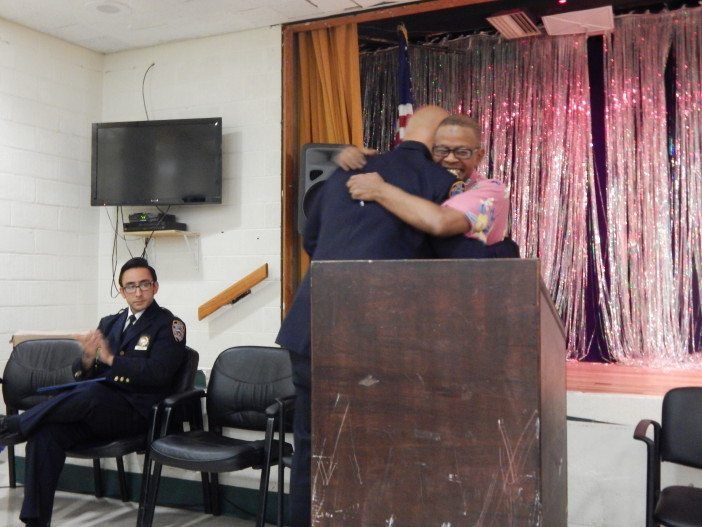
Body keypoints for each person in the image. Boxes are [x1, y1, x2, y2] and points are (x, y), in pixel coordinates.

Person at [277, 105, 489, 527]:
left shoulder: (346, 171)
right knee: (376, 455)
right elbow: (461, 256)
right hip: (375, 339)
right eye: (445, 148)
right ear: (434, 147)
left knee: (311, 449)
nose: (450, 158)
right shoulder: (441, 184)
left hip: (311, 330)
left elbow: (313, 240)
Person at [0, 257, 187, 527]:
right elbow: (84, 373)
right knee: (45, 433)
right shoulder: (110, 322)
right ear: (121, 291)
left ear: (155, 287)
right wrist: (88, 358)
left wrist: (112, 361)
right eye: (131, 286)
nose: (138, 292)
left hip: (136, 414)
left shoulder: (169, 325)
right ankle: (35, 522)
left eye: (144, 285)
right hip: (97, 412)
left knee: (93, 394)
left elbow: (158, 374)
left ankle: (11, 426)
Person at [341, 114, 511, 248]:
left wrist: (379, 190)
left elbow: (441, 222)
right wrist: (357, 160)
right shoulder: (423, 183)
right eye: (442, 150)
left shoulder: (491, 190)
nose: (451, 159)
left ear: (479, 156)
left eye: (462, 152)